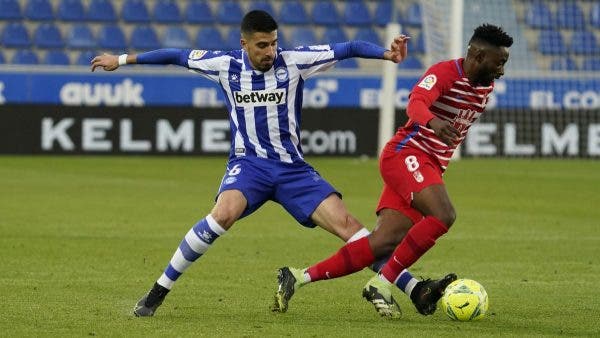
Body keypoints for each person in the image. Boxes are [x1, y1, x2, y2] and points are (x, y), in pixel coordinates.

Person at [91, 10, 409, 317]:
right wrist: (120, 60)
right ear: (244, 44)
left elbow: (349, 48)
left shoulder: (294, 62)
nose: (270, 51)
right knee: (223, 214)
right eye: (262, 45)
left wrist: (386, 54)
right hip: (249, 166)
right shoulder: (225, 65)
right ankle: (159, 290)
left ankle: (412, 286)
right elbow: (175, 54)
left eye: (273, 43)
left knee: (349, 226)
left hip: (292, 170)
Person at [273, 23, 513, 319]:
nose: (501, 70)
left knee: (381, 243)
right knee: (444, 214)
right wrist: (434, 123)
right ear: (476, 55)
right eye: (498, 62)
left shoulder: (485, 85)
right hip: (406, 155)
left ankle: (297, 277)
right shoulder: (444, 73)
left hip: (429, 165)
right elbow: (415, 103)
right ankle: (382, 282)